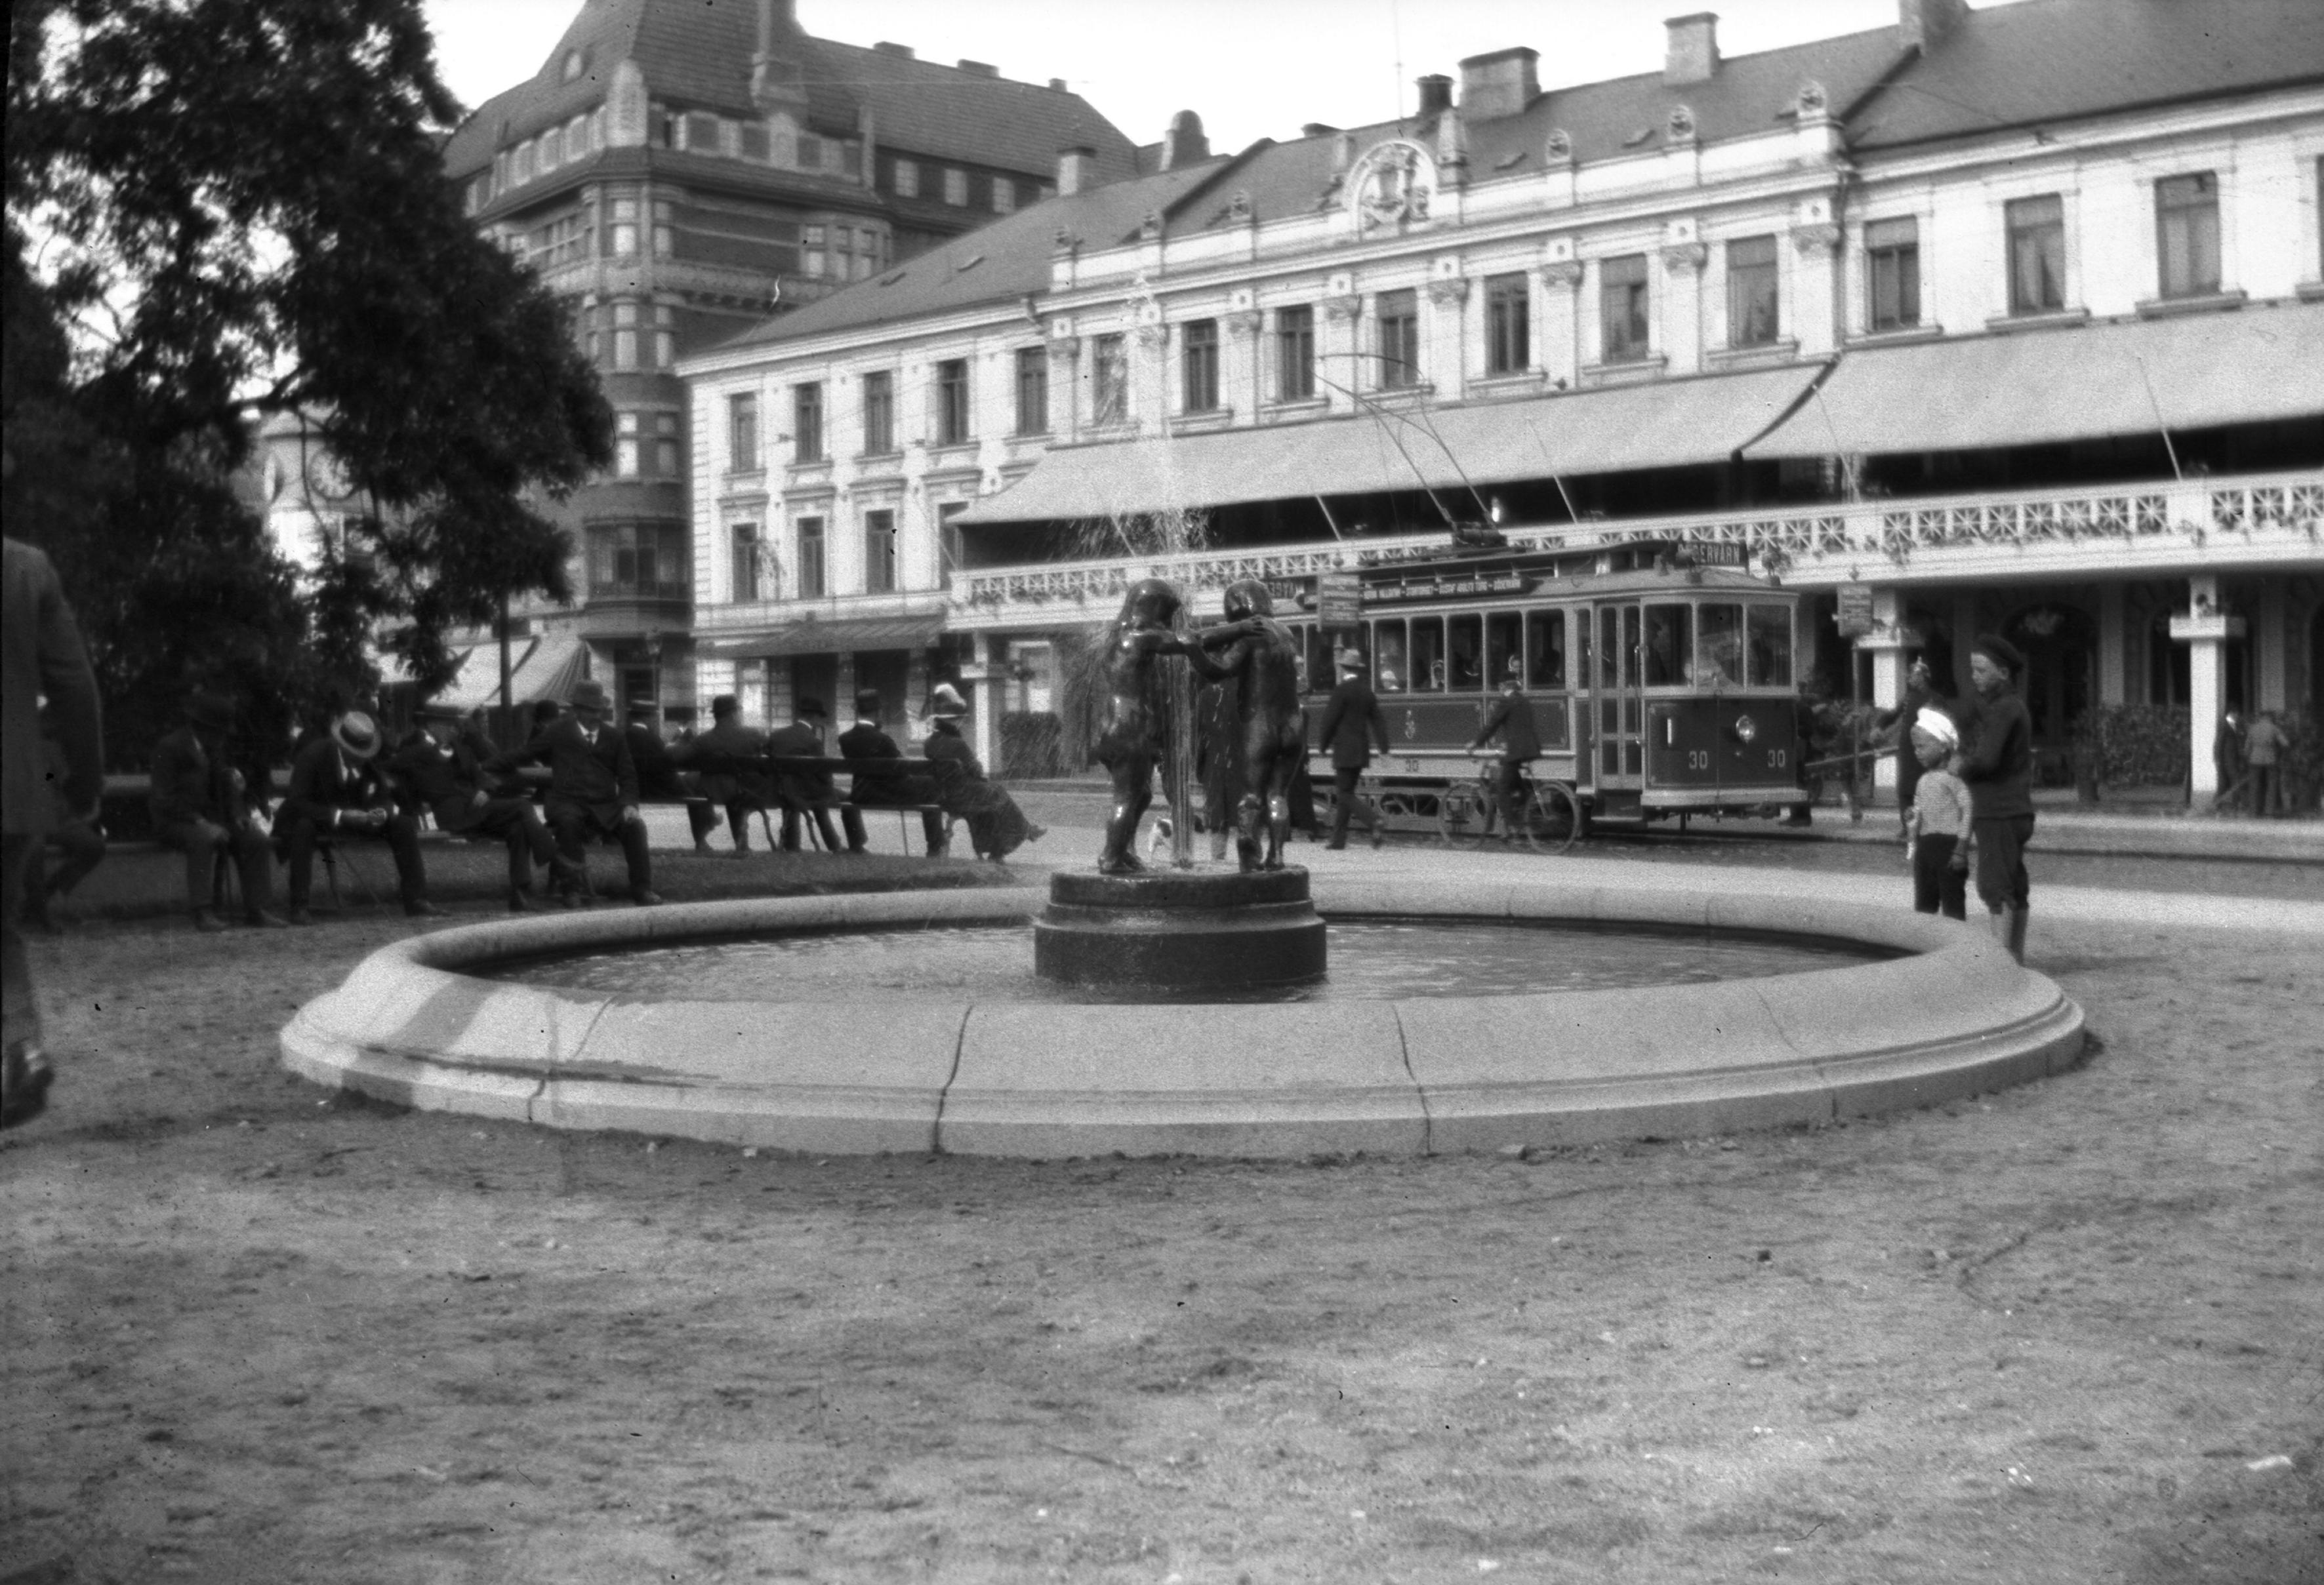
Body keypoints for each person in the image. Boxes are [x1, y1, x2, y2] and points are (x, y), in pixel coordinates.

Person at [4, 533, 105, 1129]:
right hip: (13, 786)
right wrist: (86, 780)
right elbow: (74, 686)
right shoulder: (27, 566)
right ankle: (22, 1045)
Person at [391, 701, 575, 911]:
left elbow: (482, 777)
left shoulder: (462, 749)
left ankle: (520, 894)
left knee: (518, 827)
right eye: (447, 725)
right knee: (523, 806)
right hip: (453, 814)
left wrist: (484, 790)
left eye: (454, 725)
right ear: (433, 726)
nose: (453, 730)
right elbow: (387, 766)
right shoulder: (417, 751)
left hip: (476, 810)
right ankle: (559, 863)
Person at [498, 679, 660, 906]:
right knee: (568, 822)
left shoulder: (614, 737)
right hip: (567, 801)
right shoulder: (558, 732)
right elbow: (524, 753)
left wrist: (629, 804)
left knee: (636, 826)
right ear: (577, 710)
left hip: (605, 807)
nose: (595, 715)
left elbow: (628, 777)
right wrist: (486, 767)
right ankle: (572, 889)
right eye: (589, 710)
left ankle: (642, 890)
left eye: (598, 710)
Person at [1092, 578, 1212, 873]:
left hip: (1113, 728)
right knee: (1128, 795)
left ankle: (1123, 851)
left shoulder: (1117, 636)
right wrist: (1241, 629)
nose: (1169, 622)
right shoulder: (1140, 635)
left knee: (1142, 794)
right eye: (1167, 615)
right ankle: (1111, 858)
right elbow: (1187, 641)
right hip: (1128, 728)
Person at [276, 710, 436, 924]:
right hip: (316, 818)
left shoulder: (366, 762)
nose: (363, 759)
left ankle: (417, 900)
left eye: (366, 754)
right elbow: (298, 803)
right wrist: (340, 815)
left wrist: (381, 812)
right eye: (356, 754)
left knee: (403, 824)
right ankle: (299, 906)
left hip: (356, 821)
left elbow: (382, 796)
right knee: (303, 827)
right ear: (342, 745)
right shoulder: (313, 756)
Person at [1193, 580, 1307, 872]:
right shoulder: (1286, 633)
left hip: (1261, 724)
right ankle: (1277, 856)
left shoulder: (1251, 631)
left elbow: (1222, 669)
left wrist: (1195, 654)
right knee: (1278, 793)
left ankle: (1249, 860)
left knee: (1251, 795)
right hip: (1293, 726)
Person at [150, 690, 286, 932]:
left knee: (255, 839)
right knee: (204, 838)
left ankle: (257, 909)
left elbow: (226, 784)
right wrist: (200, 821)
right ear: (205, 728)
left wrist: (238, 815)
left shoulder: (212, 748)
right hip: (174, 822)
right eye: (221, 732)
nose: (225, 737)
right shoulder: (170, 747)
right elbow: (163, 800)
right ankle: (203, 911)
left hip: (211, 821)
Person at [1955, 633, 2035, 963]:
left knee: (1995, 887)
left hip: (1997, 811)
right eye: (1973, 670)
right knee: (2015, 886)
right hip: (2016, 809)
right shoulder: (2011, 706)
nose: (1975, 677)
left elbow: (1987, 761)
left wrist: (1961, 765)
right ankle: (2015, 957)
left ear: (2003, 673)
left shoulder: (2003, 709)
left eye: (1981, 670)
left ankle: (2002, 964)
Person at [923, 683, 1041, 862]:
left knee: (991, 801)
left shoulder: (929, 743)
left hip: (943, 796)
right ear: (955, 721)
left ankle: (1011, 840)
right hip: (961, 796)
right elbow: (976, 769)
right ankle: (1019, 835)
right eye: (959, 719)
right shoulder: (958, 744)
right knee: (997, 795)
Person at [18, 709, 108, 934]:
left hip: (57, 816)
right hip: (25, 818)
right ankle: (42, 915)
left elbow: (59, 779)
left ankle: (44, 897)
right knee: (34, 852)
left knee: (93, 845)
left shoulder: (50, 748)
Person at [838, 689, 946, 856]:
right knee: (931, 786)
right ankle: (934, 847)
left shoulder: (844, 739)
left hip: (861, 793)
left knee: (926, 785)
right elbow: (902, 769)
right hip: (886, 793)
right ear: (877, 712)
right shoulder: (883, 740)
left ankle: (856, 845)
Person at [674, 694, 772, 855]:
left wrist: (680, 741)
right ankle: (742, 844)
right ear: (734, 713)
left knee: (695, 785)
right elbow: (771, 752)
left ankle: (700, 841)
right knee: (736, 792)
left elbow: (679, 757)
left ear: (716, 716)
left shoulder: (704, 739)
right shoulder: (754, 734)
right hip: (745, 791)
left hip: (711, 791)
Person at [1903, 706, 1972, 921]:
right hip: (1926, 848)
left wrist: (1961, 848)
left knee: (1953, 906)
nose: (1917, 752)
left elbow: (1967, 810)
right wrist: (1913, 817)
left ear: (1943, 747)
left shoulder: (1954, 779)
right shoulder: (1923, 780)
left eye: (1922, 747)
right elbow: (1920, 811)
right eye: (1915, 748)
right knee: (1924, 904)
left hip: (1949, 847)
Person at [1316, 647, 1389, 850]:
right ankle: (1338, 840)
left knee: (1345, 794)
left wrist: (1322, 745)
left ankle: (1374, 820)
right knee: (1346, 792)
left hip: (1344, 750)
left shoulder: (1341, 691)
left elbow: (1330, 720)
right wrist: (1384, 749)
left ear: (1344, 669)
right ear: (1358, 669)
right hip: (1361, 750)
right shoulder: (1367, 691)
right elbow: (1378, 721)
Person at [1467, 675, 1543, 849]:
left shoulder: (1507, 701)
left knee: (1502, 790)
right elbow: (1520, 726)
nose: (1499, 689)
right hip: (1530, 749)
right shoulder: (1523, 700)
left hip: (1516, 751)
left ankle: (1513, 830)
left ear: (1503, 685)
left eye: (1500, 686)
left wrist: (1475, 743)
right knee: (1514, 784)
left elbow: (1492, 725)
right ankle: (1524, 807)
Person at [1872, 657, 1941, 837]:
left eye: (1914, 674)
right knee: (1905, 789)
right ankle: (1907, 824)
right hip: (1907, 750)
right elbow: (1892, 715)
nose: (1910, 678)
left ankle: (1927, 826)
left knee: (1926, 788)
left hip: (1926, 751)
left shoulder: (1935, 699)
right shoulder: (1908, 698)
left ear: (1923, 677)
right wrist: (1879, 726)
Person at [765, 698, 843, 853]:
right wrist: (829, 787)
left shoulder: (776, 736)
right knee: (824, 797)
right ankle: (835, 845)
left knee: (793, 796)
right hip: (807, 793)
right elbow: (824, 773)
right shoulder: (813, 741)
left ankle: (792, 845)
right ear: (814, 717)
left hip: (782, 791)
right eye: (820, 718)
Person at [2241, 710, 2285, 818]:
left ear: (2260, 718)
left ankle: (2254, 811)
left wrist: (2246, 758)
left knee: (2254, 785)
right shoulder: (2274, 728)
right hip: (2270, 759)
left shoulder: (2253, 728)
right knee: (2272, 785)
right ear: (2269, 718)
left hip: (2255, 759)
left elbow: (2247, 747)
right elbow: (2285, 743)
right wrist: (2277, 750)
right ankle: (2269, 811)